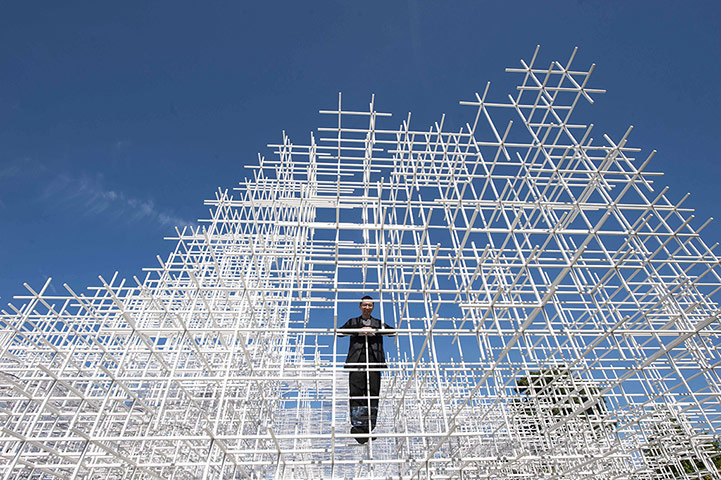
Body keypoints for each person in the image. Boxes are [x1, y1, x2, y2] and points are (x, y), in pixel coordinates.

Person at [337, 295, 396, 444]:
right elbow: (339, 332)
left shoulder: (377, 323)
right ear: (360, 306)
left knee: (373, 393)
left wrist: (376, 330)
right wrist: (358, 331)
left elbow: (393, 332)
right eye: (365, 305)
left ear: (373, 307)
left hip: (375, 361)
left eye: (370, 305)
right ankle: (358, 427)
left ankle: (369, 427)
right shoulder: (353, 322)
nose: (367, 308)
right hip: (357, 360)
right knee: (356, 392)